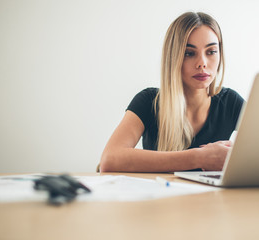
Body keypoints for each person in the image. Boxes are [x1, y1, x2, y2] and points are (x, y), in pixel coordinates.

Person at [99, 12, 244, 172]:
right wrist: (200, 157)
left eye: (211, 52)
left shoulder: (231, 102)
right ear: (173, 57)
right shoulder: (148, 101)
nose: (202, 63)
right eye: (189, 53)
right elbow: (109, 159)